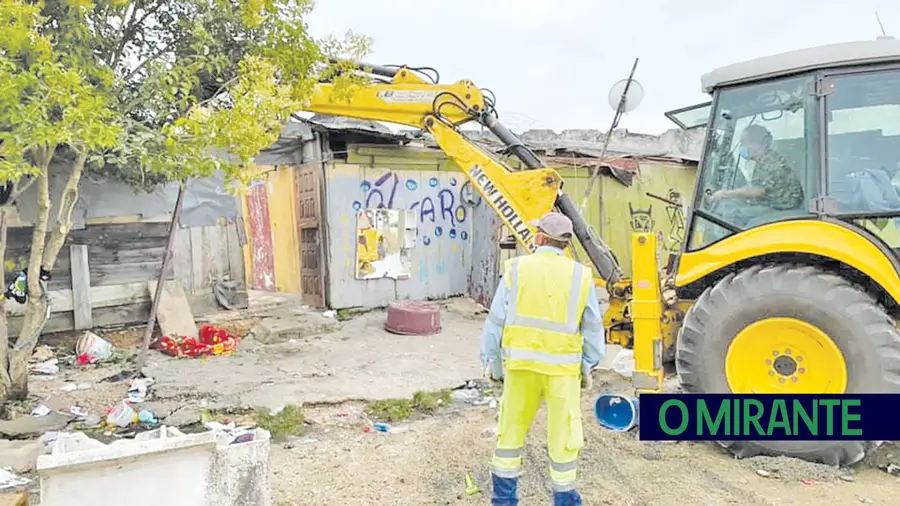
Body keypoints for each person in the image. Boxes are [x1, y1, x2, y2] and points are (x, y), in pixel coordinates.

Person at [480, 212, 606, 506]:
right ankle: (565, 499)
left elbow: (495, 323)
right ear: (565, 243)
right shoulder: (581, 275)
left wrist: (494, 364)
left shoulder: (516, 269)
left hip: (521, 368)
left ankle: (504, 500)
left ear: (539, 238)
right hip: (563, 371)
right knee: (564, 437)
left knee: (509, 433)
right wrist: (588, 364)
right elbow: (592, 326)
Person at [708, 124, 804, 224]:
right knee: (731, 205)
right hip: (775, 205)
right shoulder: (765, 159)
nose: (742, 147)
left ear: (756, 143)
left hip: (782, 209)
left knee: (732, 215)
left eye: (743, 143)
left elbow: (758, 191)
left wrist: (727, 193)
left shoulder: (769, 161)